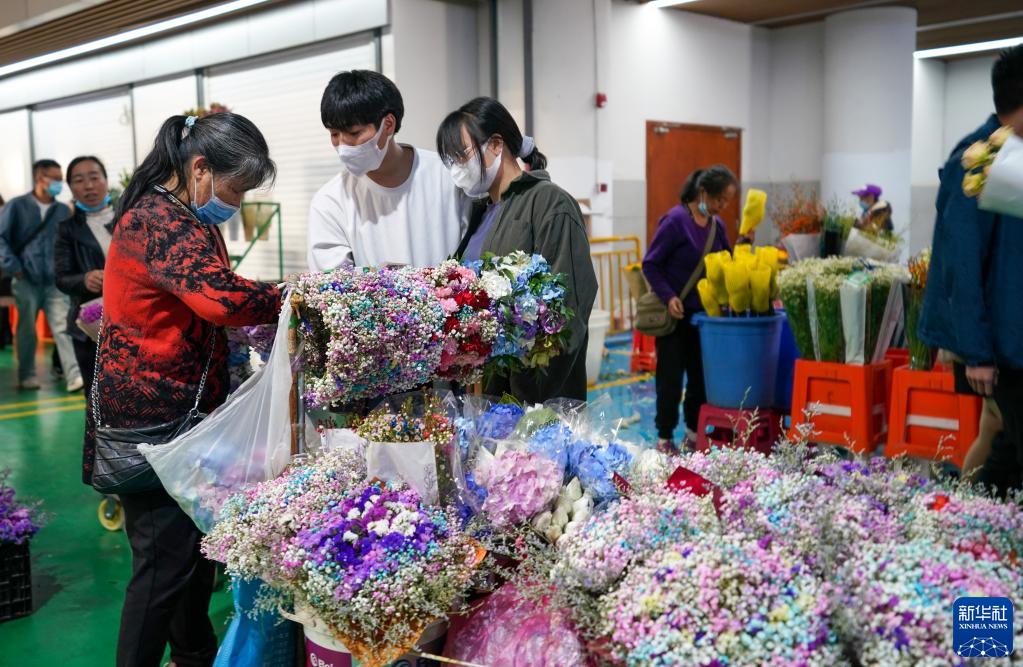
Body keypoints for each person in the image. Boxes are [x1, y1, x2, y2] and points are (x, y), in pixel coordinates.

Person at [92, 113, 282, 667]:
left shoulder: (183, 215)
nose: (237, 203)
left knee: (190, 559)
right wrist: (293, 295)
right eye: (235, 189)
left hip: (180, 415)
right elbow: (220, 300)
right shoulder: (159, 221)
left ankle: (194, 657)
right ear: (200, 169)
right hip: (151, 421)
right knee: (163, 568)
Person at [437, 97, 597, 403]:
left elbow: (569, 307)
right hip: (483, 394)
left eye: (462, 155)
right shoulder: (480, 211)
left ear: (496, 145)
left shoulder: (550, 203)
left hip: (531, 397)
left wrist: (527, 398)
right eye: (450, 161)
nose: (456, 168)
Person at [919, 44, 1023, 494]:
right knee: (1002, 436)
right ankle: (967, 515)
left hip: (1010, 338)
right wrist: (978, 354)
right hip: (998, 344)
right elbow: (963, 263)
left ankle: (971, 517)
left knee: (1002, 440)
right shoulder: (981, 160)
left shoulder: (1013, 153)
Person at [308, 70, 466, 270]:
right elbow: (331, 282)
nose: (343, 145)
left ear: (388, 125)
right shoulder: (330, 201)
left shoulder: (448, 176)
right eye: (334, 134)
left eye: (354, 133)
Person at [642, 166, 736, 452]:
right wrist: (669, 296)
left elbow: (727, 262)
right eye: (719, 199)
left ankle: (694, 434)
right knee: (670, 380)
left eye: (726, 201)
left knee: (700, 379)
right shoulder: (675, 221)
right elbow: (651, 264)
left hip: (705, 319)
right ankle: (665, 438)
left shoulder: (717, 227)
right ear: (703, 192)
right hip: (675, 317)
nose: (722, 206)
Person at [0, 159, 82, 391]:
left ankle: (74, 375)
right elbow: (1, 238)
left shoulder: (62, 210)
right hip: (25, 279)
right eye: (54, 178)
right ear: (39, 178)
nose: (59, 183)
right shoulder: (17, 206)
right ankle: (27, 375)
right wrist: (14, 266)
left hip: (54, 281)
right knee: (27, 329)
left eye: (60, 179)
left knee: (63, 327)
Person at [55, 155, 113, 396]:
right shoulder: (67, 229)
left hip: (133, 321)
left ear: (106, 180)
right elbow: (61, 278)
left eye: (94, 177)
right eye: (79, 180)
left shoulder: (129, 218)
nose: (89, 186)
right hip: (91, 325)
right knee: (96, 397)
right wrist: (84, 279)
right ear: (71, 188)